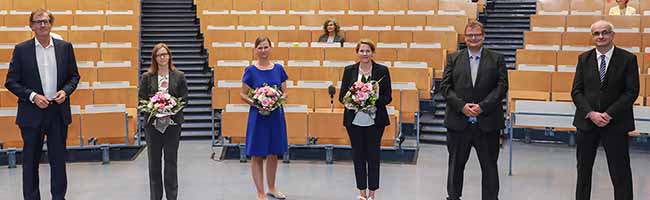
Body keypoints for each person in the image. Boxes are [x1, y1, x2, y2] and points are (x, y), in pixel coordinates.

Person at [4, 9, 80, 200]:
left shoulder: (65, 47)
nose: (42, 25)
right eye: (38, 22)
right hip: (31, 113)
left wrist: (66, 91)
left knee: (58, 161)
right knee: (30, 162)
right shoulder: (21, 50)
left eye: (46, 21)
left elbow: (74, 76)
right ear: (31, 26)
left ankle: (58, 197)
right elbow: (11, 81)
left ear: (51, 24)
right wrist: (32, 96)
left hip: (57, 111)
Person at [439, 20, 508, 200]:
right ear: (465, 38)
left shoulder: (497, 59)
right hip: (458, 123)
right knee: (455, 166)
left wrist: (482, 107)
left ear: (483, 36)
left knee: (490, 167)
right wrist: (462, 106)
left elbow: (502, 87)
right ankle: (453, 197)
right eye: (470, 35)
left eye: (477, 35)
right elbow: (445, 87)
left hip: (488, 123)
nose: (473, 38)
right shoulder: (453, 58)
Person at [571, 20, 638, 200]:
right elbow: (576, 91)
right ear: (592, 37)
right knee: (583, 171)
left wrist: (608, 114)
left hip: (615, 124)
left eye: (605, 32)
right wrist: (591, 113)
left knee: (620, 172)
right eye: (596, 33)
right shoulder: (583, 59)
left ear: (612, 35)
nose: (601, 36)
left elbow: (631, 92)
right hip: (587, 123)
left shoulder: (628, 59)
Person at [338, 39, 392, 200]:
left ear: (372, 52)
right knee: (358, 156)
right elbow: (342, 96)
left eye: (368, 51)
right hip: (353, 121)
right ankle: (362, 193)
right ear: (357, 52)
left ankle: (373, 193)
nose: (365, 54)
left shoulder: (382, 70)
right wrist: (355, 102)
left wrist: (372, 101)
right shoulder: (349, 70)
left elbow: (388, 97)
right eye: (362, 51)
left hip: (375, 121)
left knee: (373, 156)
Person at [239, 36, 289, 200]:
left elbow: (285, 92)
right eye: (260, 48)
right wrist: (257, 102)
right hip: (257, 116)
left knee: (273, 152)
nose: (263, 51)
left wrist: (275, 100)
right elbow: (242, 94)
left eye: (266, 47)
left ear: (270, 48)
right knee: (257, 154)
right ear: (255, 50)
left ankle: (272, 187)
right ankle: (260, 192)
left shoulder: (279, 69)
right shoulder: (250, 71)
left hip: (275, 115)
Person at [138, 43, 188, 200]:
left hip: (172, 125)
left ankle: (172, 196)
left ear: (169, 56)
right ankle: (156, 197)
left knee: (171, 161)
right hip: (153, 126)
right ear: (155, 58)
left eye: (165, 54)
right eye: (159, 55)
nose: (162, 57)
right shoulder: (147, 77)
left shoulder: (179, 76)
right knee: (154, 163)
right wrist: (154, 109)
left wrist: (171, 109)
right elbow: (142, 99)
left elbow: (184, 99)